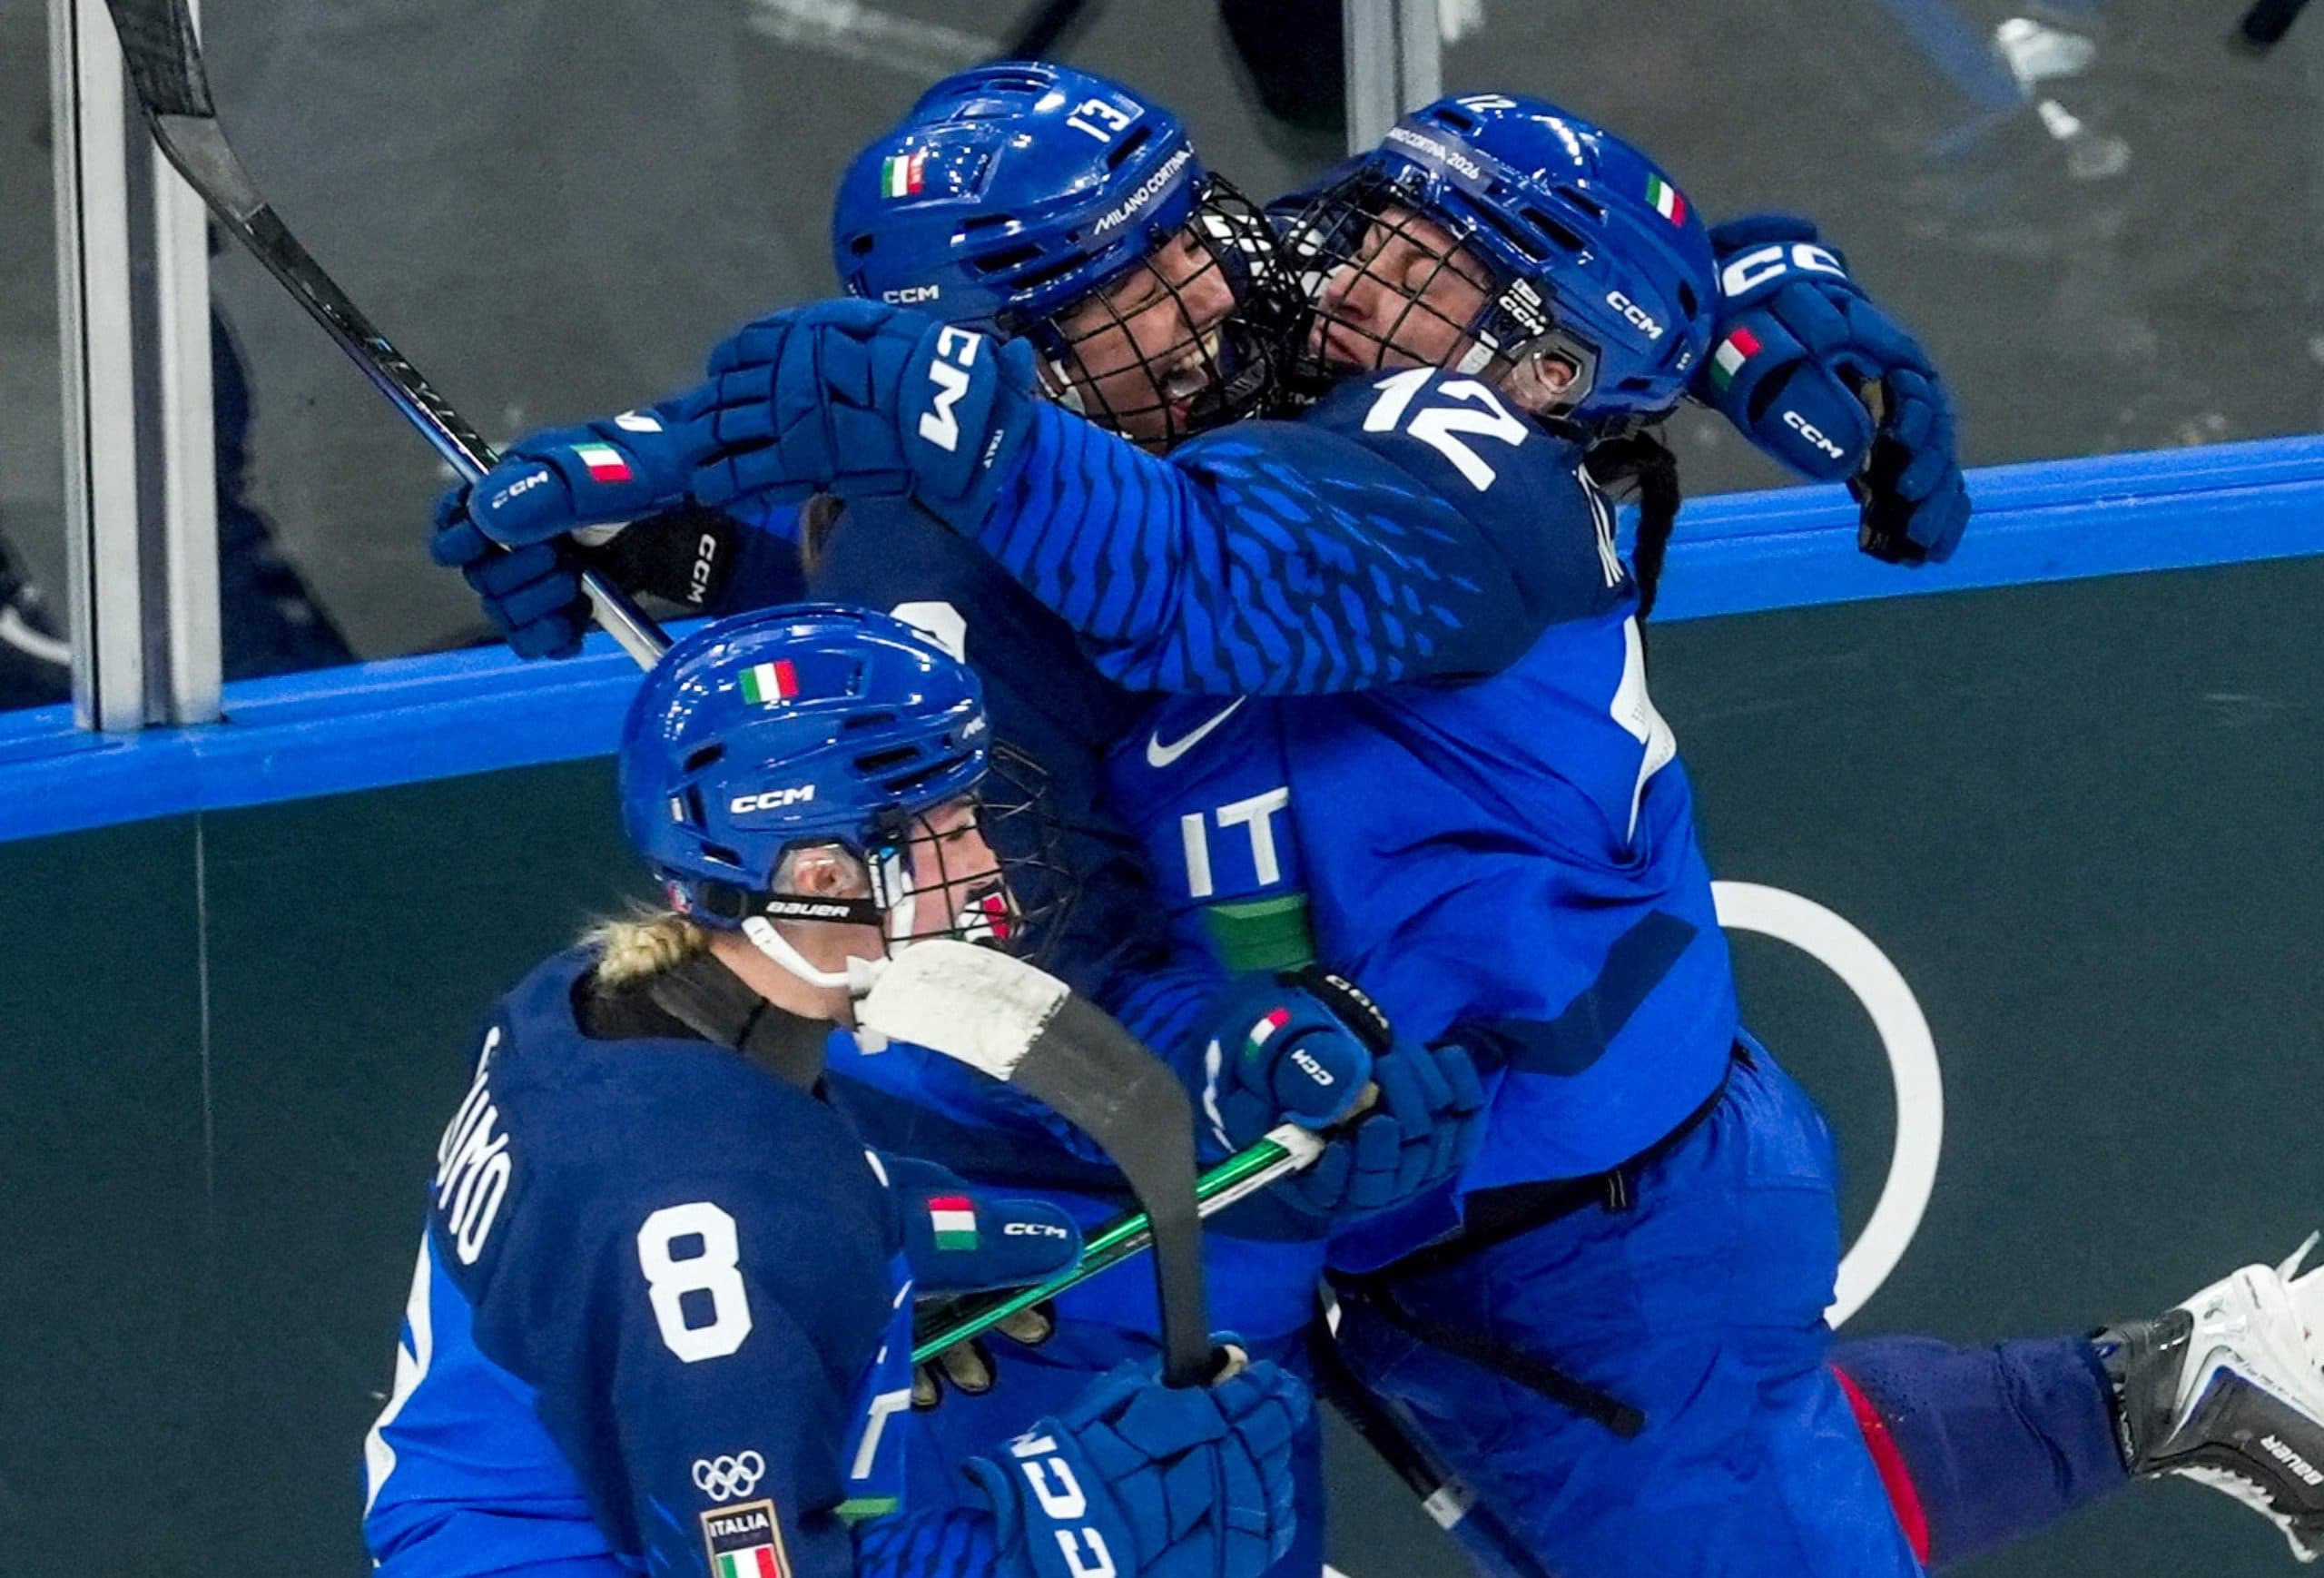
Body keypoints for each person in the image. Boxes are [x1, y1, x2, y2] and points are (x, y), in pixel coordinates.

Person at [657, 91, 2324, 1574]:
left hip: (1564, 1164)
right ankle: (2201, 1383)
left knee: (1729, 1517)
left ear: (1546, 374)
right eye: (1148, 276)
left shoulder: (1455, 452)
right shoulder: (1264, 345)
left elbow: (1203, 573)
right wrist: (679, 504)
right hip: (1257, 1128)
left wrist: (952, 428)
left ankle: (2193, 1385)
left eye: (1180, 260)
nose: (1279, 291)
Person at [358, 601, 1309, 1578]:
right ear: (820, 875)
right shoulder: (708, 1228)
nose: (993, 873)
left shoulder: (587, 1003)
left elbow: (644, 1218)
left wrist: (872, 1246)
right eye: (949, 831)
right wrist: (1059, 1537)